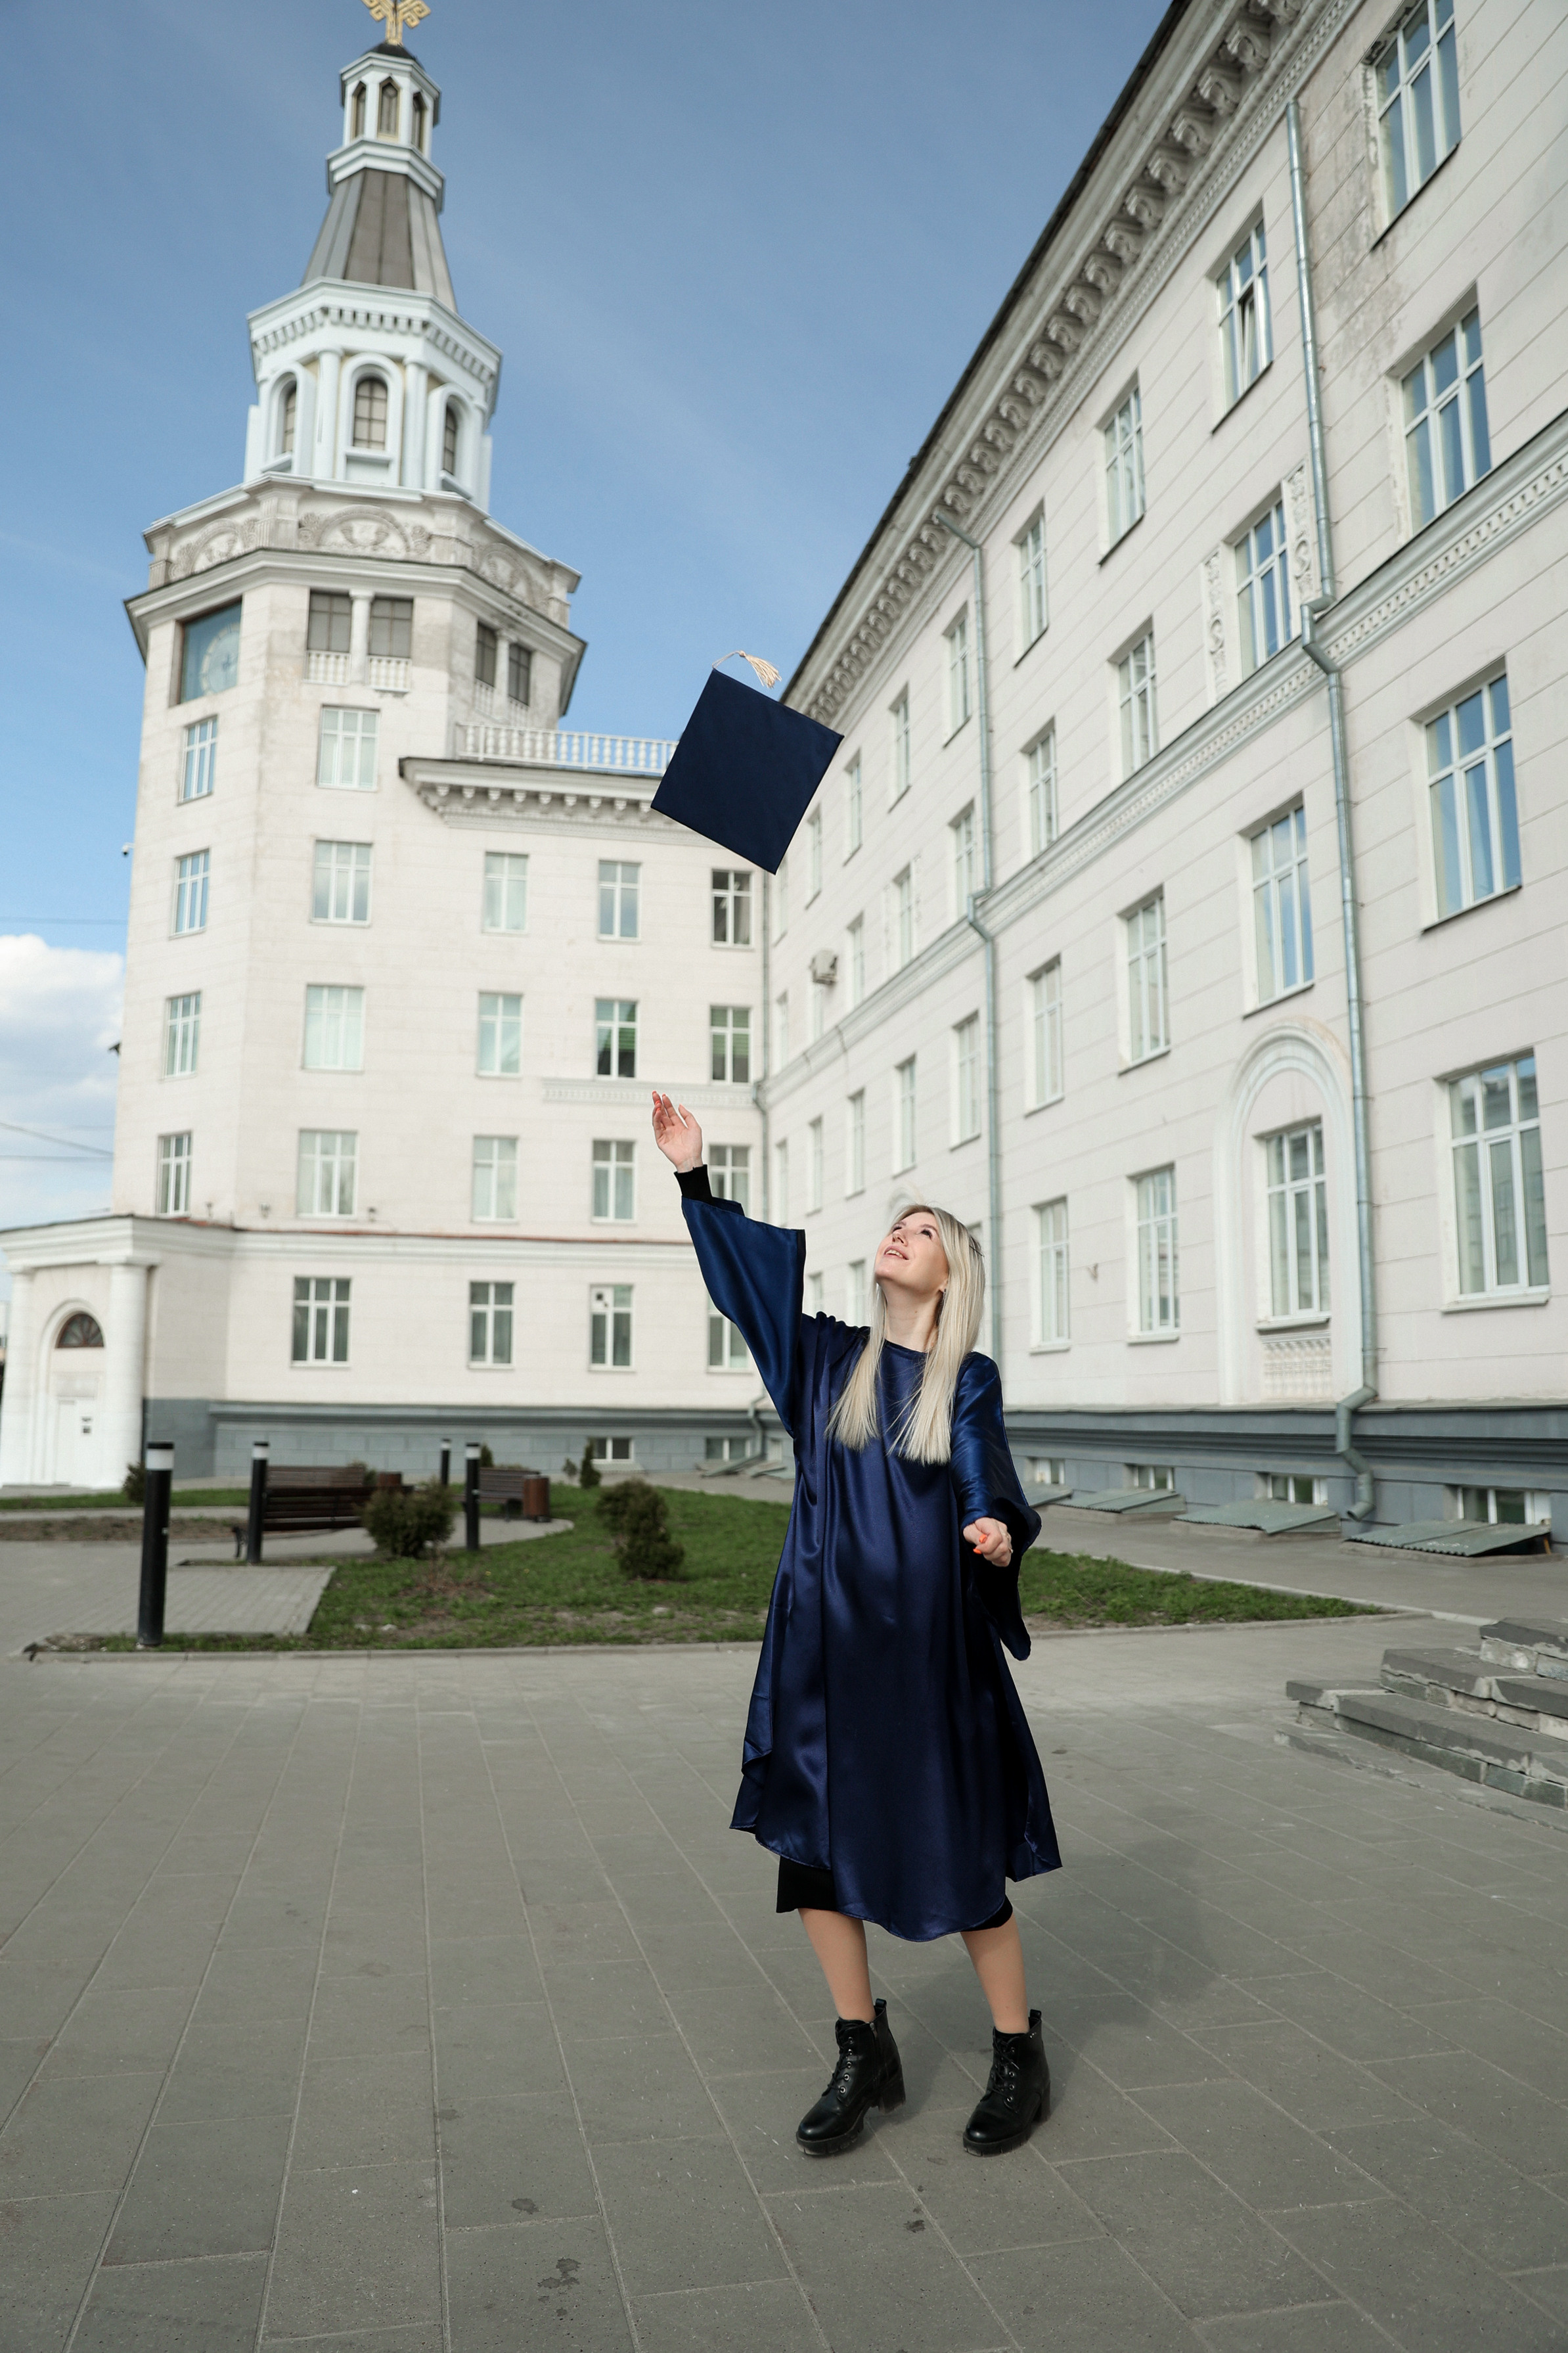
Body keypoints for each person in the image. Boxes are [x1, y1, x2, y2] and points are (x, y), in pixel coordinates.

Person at [652, 1090, 1060, 2158]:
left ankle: (1018, 2051)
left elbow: (986, 1478)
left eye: (923, 1230)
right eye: (898, 1222)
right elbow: (749, 1296)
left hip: (926, 1659)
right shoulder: (830, 1362)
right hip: (826, 1654)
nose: (900, 1232)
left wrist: (993, 1530)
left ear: (950, 1273)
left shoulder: (963, 1380)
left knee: (967, 1862)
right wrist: (696, 1178)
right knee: (816, 1860)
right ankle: (860, 2046)